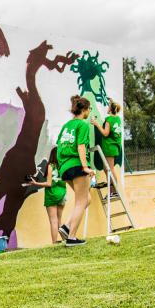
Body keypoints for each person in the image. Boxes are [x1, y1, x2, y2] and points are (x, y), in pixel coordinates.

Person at [56, 96, 94, 246]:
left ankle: (66, 226)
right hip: (77, 165)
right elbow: (81, 146)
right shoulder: (83, 124)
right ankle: (71, 237)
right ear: (84, 110)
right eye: (89, 109)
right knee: (81, 201)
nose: (89, 111)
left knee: (86, 199)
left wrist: (62, 167)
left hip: (65, 167)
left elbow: (59, 146)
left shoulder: (66, 126)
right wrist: (85, 166)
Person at [24, 147, 67, 244]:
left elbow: (48, 184)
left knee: (53, 221)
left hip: (52, 195)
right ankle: (65, 239)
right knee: (59, 220)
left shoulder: (51, 166)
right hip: (62, 194)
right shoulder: (63, 165)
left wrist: (35, 183)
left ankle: (54, 242)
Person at [92, 99, 123, 198]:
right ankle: (112, 190)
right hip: (113, 147)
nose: (107, 107)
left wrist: (96, 124)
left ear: (110, 109)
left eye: (108, 106)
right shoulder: (117, 119)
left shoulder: (109, 120)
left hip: (109, 147)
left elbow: (105, 133)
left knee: (110, 169)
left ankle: (114, 191)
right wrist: (112, 101)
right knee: (106, 169)